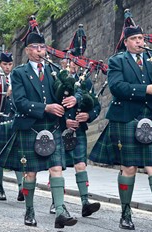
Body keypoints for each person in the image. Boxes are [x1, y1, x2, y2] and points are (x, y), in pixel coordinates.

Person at [0, 32, 80, 229]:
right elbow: (20, 102)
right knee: (30, 173)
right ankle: (30, 209)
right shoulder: (19, 73)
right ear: (27, 51)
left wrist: (73, 99)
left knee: (56, 168)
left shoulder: (54, 70)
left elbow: (71, 90)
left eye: (42, 47)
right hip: (30, 127)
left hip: (52, 127)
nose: (40, 51)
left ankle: (60, 210)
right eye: (35, 47)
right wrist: (46, 108)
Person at [89, 26, 152, 230]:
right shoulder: (117, 61)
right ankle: (125, 212)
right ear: (126, 42)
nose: (139, 42)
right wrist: (146, 89)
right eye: (134, 39)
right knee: (129, 167)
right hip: (126, 118)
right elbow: (116, 87)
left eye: (141, 38)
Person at [49, 61, 101, 216]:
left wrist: (88, 116)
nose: (74, 65)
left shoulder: (85, 81)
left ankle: (85, 202)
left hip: (77, 131)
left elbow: (96, 105)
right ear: (64, 61)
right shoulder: (56, 78)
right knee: (56, 167)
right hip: (59, 130)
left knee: (81, 165)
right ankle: (55, 202)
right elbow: (49, 104)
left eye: (77, 61)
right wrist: (64, 120)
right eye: (70, 61)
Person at [0, 51, 24, 201]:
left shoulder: (17, 77)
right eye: (5, 64)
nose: (7, 67)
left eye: (9, 64)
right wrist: (5, 94)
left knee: (19, 156)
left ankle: (21, 189)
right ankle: (0, 189)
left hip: (14, 122)